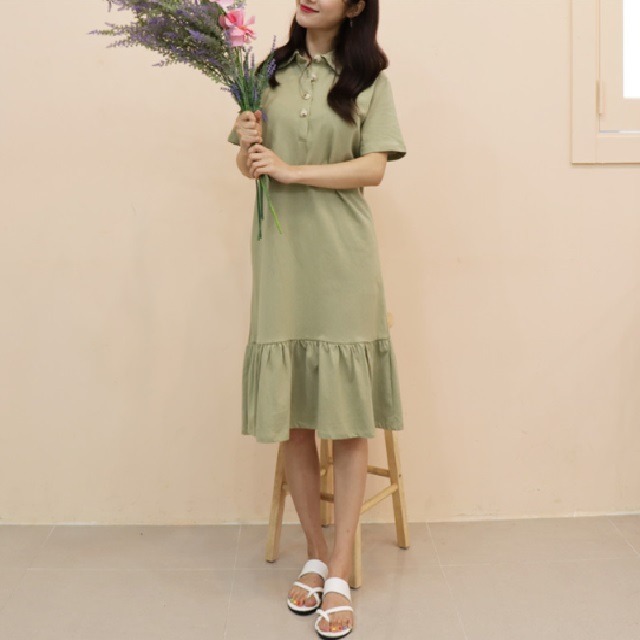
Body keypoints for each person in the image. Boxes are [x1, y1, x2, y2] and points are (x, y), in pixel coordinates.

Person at [228, 1, 406, 637]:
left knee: (348, 419)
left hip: (343, 259)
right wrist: (250, 149)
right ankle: (313, 553)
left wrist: (292, 170)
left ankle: (339, 571)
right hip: (281, 258)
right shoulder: (264, 73)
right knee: (296, 414)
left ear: (355, 6)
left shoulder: (369, 78)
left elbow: (374, 168)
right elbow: (247, 166)